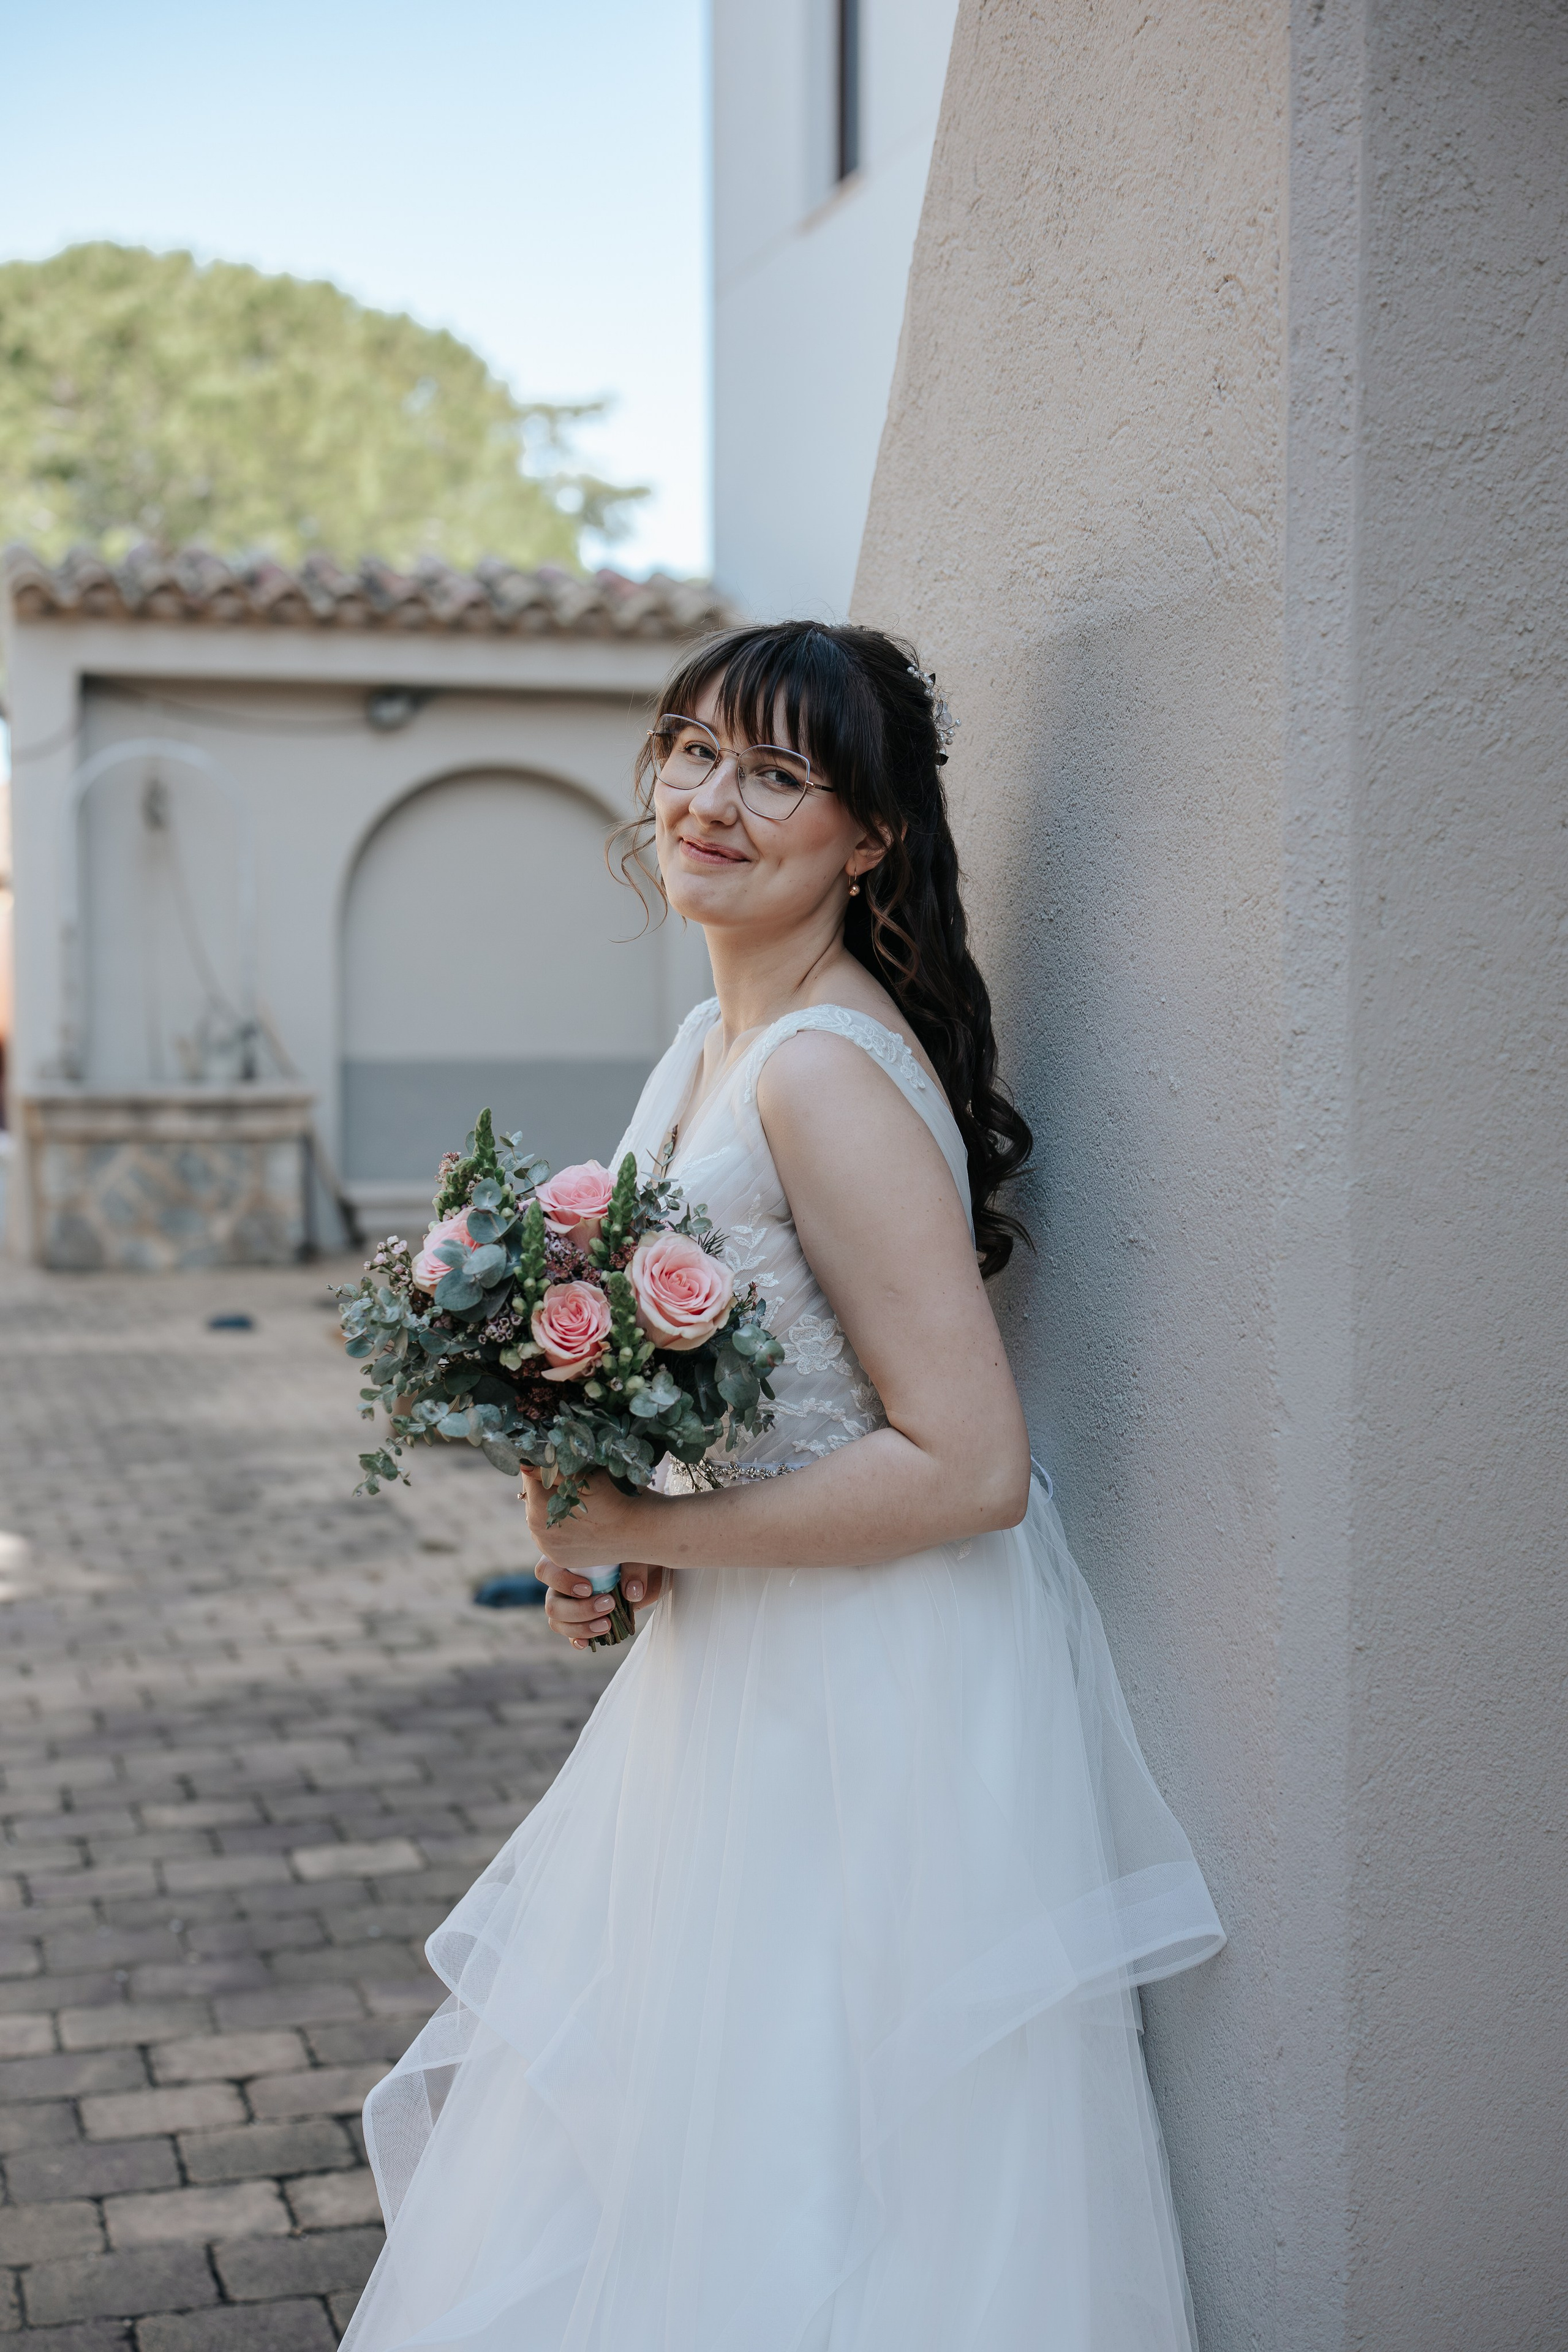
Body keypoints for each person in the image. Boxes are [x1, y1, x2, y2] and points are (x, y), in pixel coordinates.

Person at [342, 622, 1224, 2352]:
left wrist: (656, 1525)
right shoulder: (706, 1052)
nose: (710, 801)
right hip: (749, 1671)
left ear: (870, 838)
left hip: (870, 1702)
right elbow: (751, 1407)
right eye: (691, 751)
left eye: (775, 775)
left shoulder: (822, 1071)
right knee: (699, 2153)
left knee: (822, 2167)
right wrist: (608, 1527)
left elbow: (970, 1467)